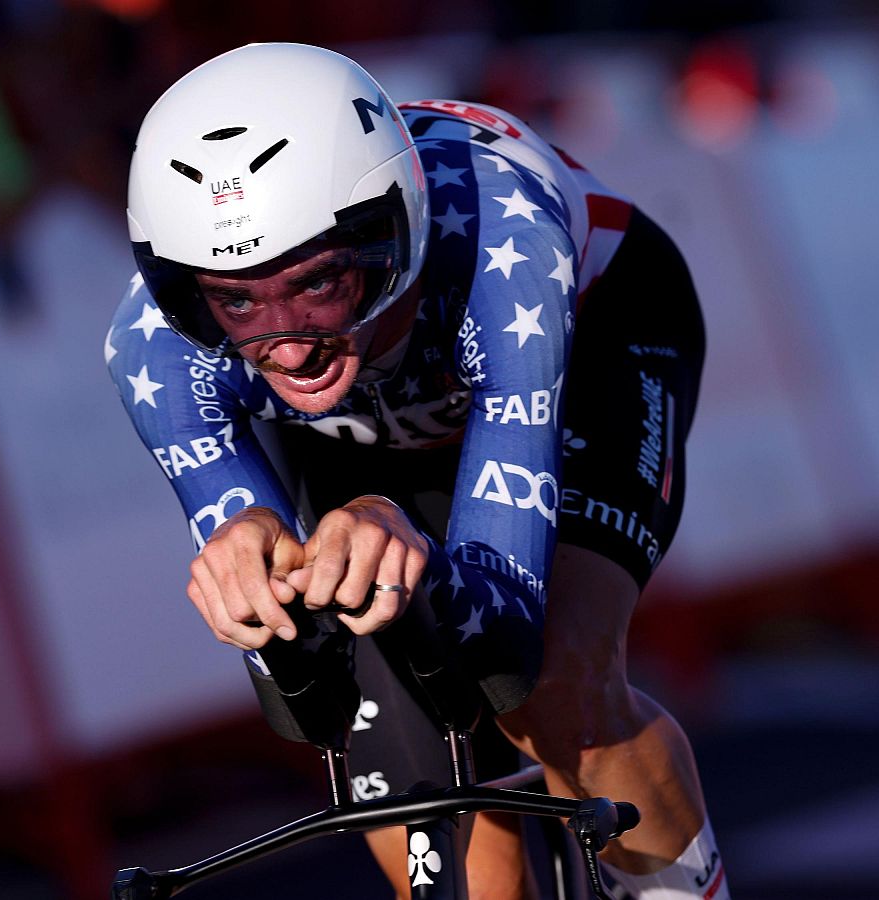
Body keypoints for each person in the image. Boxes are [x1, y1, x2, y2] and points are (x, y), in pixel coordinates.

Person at [107, 43, 726, 899]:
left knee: (554, 689)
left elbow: (503, 626)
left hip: (591, 349)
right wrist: (247, 538)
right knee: (399, 772)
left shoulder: (505, 240)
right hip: (367, 426)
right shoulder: (154, 344)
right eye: (236, 300)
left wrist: (394, 531)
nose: (284, 340)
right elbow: (303, 690)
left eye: (316, 285)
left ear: (387, 229)